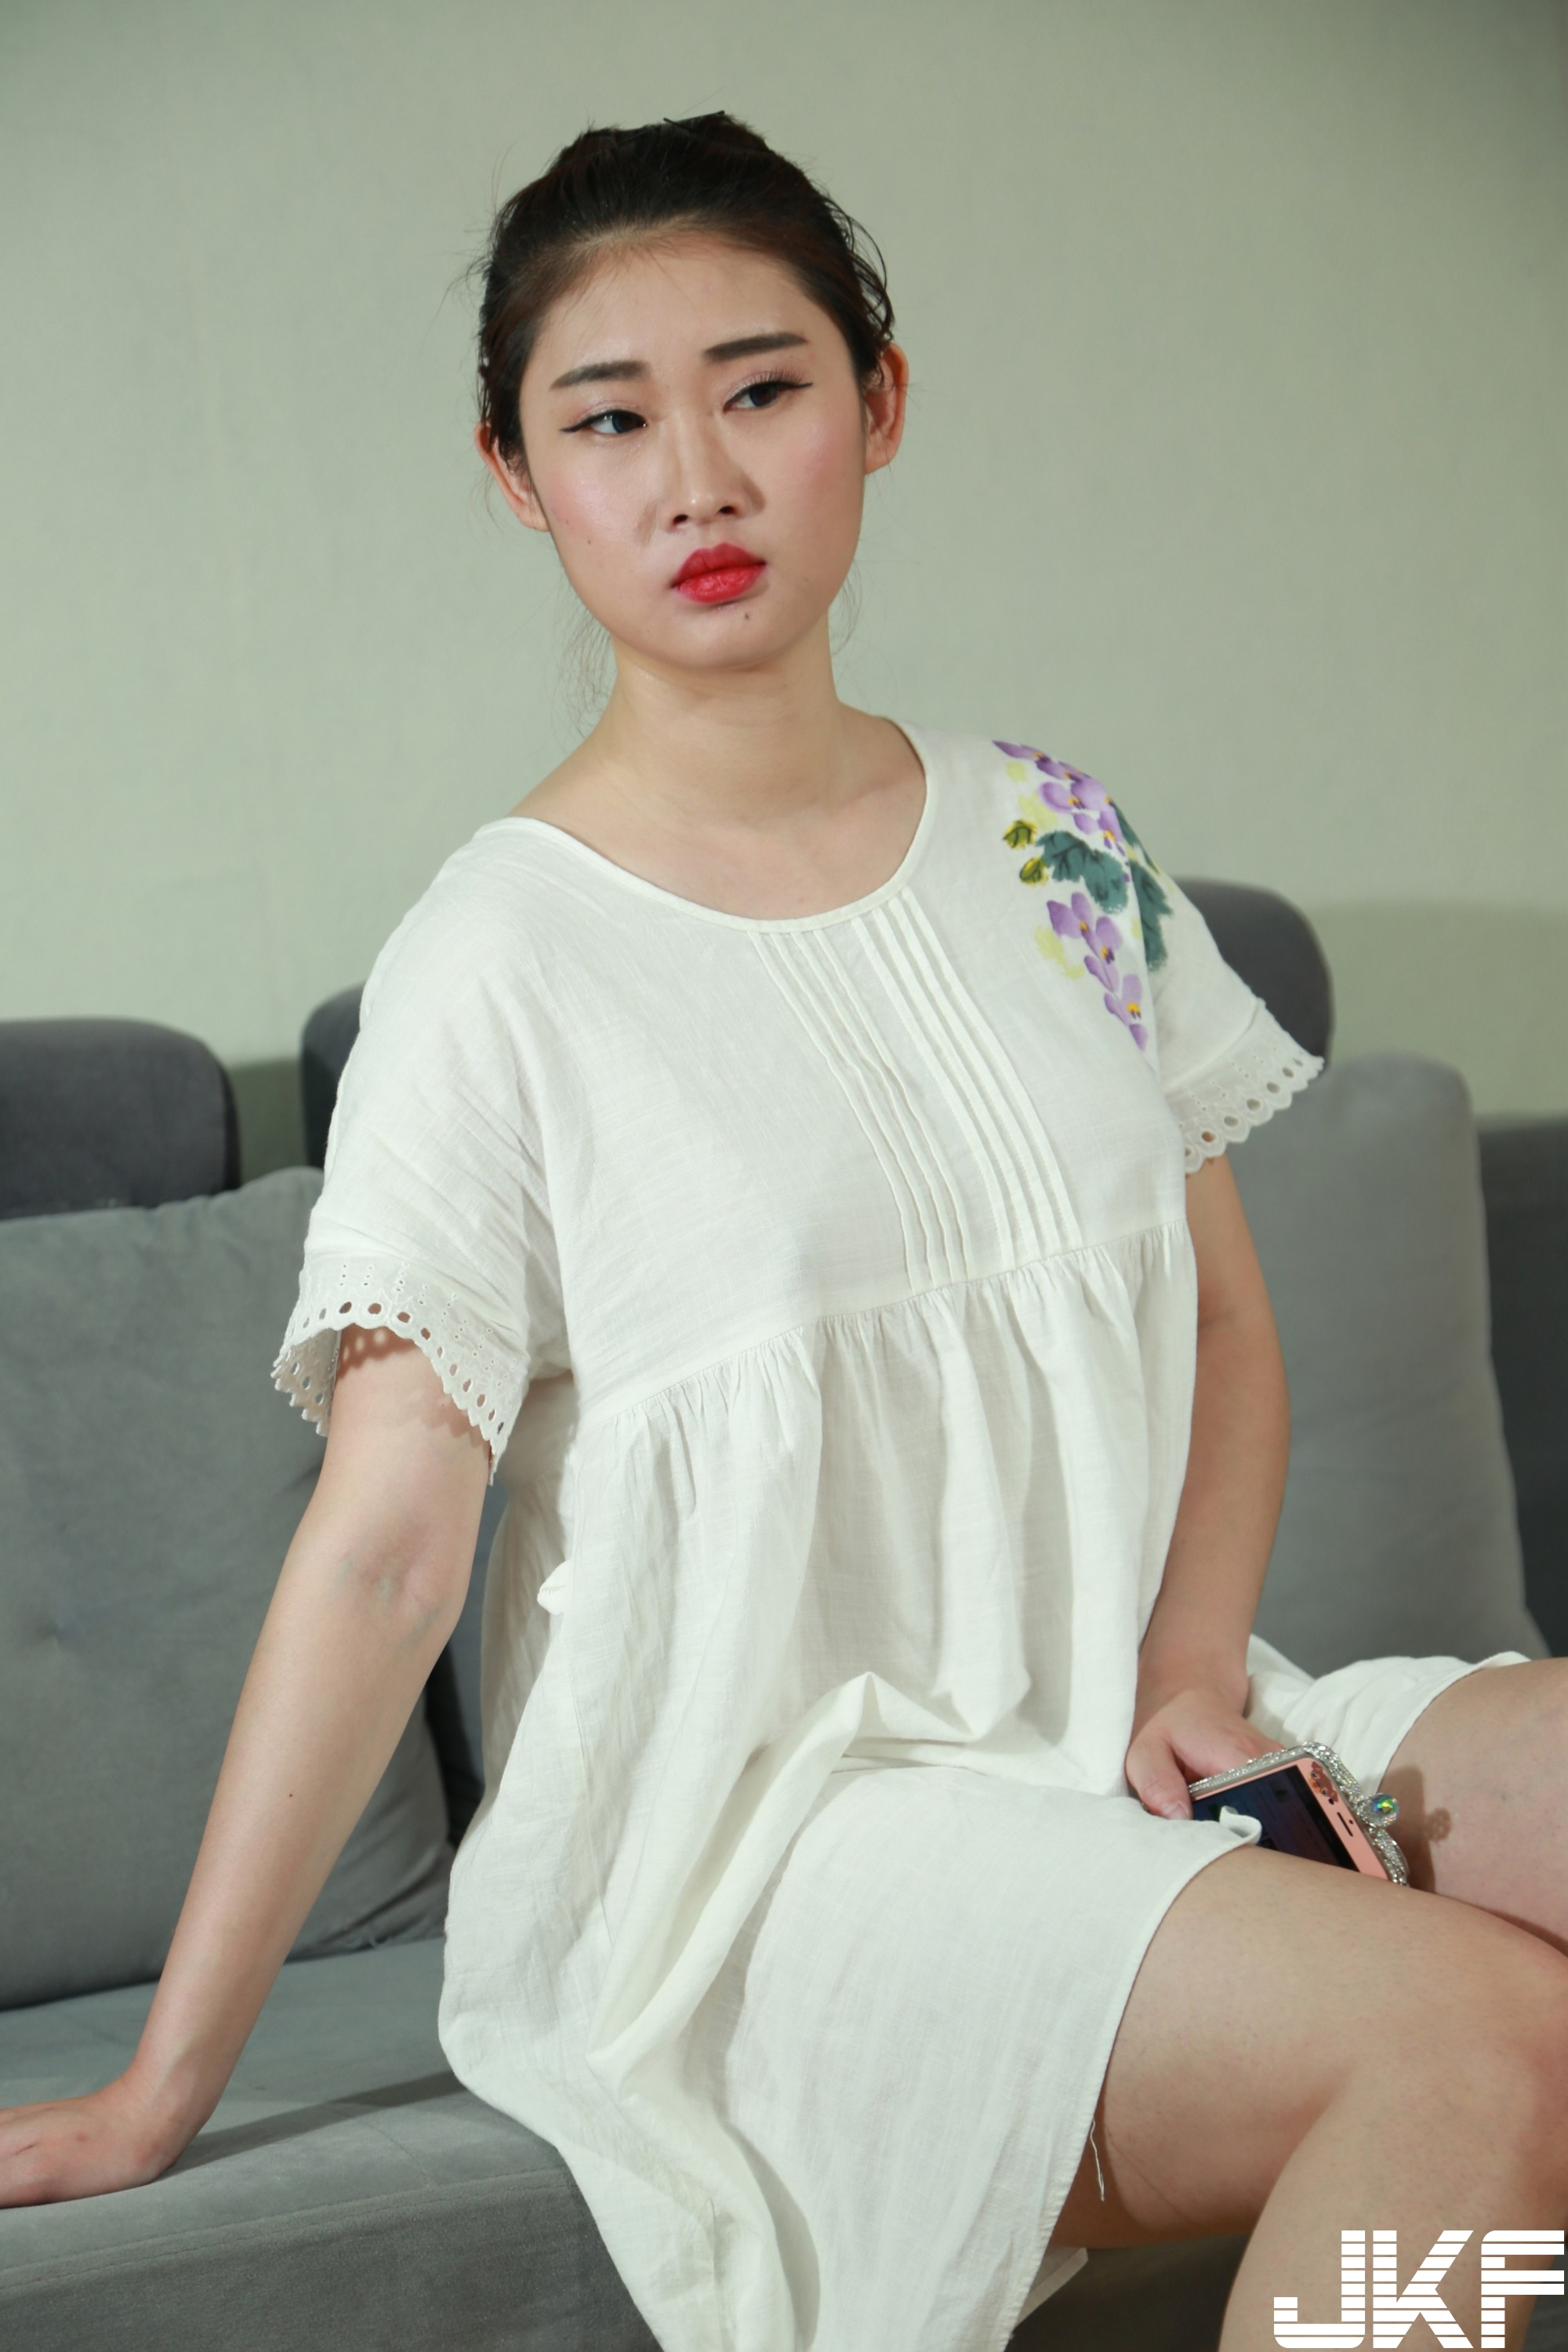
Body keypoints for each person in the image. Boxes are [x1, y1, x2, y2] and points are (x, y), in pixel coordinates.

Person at [2, 110, 1564, 2352]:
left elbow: (1222, 1319)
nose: (698, 479)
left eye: (761, 388)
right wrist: (164, 2082)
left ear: (879, 403)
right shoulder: (493, 965)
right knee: (1483, 2037)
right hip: (779, 1857)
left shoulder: (1053, 835)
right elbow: (382, 1551)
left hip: (1124, 1720)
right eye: (608, 420)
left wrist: (1195, 1673)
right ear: (517, 477)